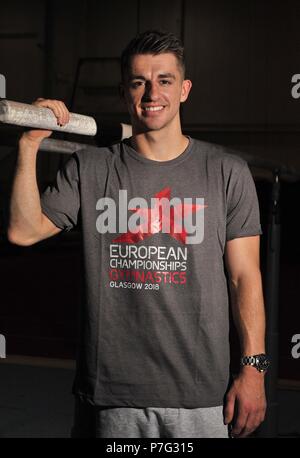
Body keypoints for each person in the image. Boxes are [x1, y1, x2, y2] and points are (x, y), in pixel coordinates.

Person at [7, 30, 268, 438]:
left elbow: (244, 278)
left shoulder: (226, 172)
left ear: (184, 89)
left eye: (164, 80)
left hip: (200, 394)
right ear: (124, 91)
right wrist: (30, 144)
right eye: (138, 81)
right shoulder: (90, 169)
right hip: (113, 393)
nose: (152, 93)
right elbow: (23, 232)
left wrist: (255, 370)